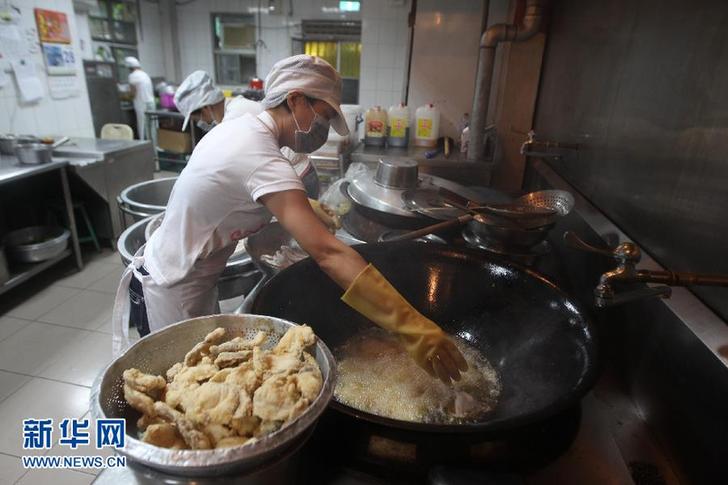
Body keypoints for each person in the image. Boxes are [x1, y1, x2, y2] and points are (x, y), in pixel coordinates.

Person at [112, 55, 467, 384]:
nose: (324, 127)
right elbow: (330, 254)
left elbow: (240, 193)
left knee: (207, 376)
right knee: (190, 390)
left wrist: (305, 204)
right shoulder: (258, 153)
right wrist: (413, 327)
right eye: (324, 115)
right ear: (296, 100)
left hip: (194, 278)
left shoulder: (247, 129)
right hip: (173, 285)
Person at [173, 70, 320, 198]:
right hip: (293, 175)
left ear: (205, 108)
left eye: (196, 118)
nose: (200, 122)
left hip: (298, 177)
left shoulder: (236, 118)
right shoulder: (234, 108)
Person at [125, 56, 155, 140]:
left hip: (142, 104)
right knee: (152, 127)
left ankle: (143, 145)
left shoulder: (132, 76)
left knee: (142, 126)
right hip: (151, 103)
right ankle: (153, 146)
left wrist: (126, 96)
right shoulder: (145, 74)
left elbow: (132, 93)